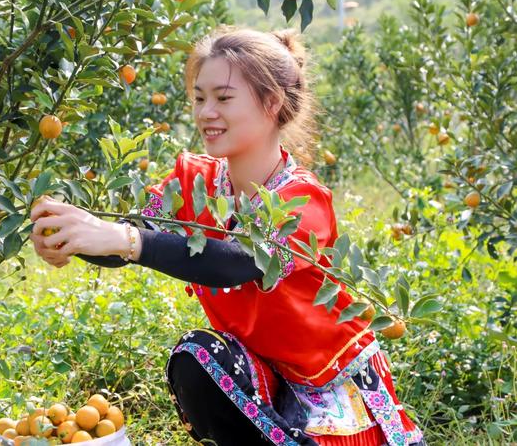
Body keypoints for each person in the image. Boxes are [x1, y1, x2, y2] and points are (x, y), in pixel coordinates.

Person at [28, 26, 425, 446]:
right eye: (200, 98)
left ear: (271, 102)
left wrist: (122, 238)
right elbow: (138, 236)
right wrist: (72, 234)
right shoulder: (193, 180)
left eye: (223, 98)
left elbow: (235, 261)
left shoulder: (302, 201)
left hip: (327, 390)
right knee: (198, 357)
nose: (205, 113)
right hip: (263, 375)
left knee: (202, 352)